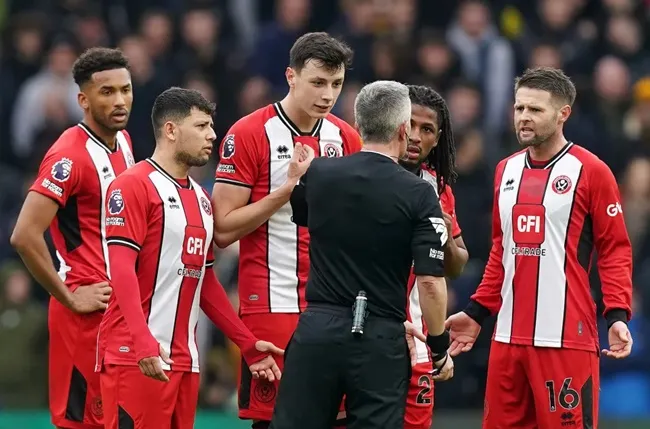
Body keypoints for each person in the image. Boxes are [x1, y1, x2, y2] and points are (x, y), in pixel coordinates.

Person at [445, 67, 634, 429]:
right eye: (519, 109)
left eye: (535, 110)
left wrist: (617, 314)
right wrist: (477, 311)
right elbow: (502, 252)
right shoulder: (505, 170)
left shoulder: (592, 171)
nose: (524, 118)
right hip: (506, 340)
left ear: (563, 114)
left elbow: (615, 249)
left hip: (566, 339)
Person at [270, 80, 454, 429]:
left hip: (317, 329)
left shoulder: (320, 173)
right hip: (379, 335)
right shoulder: (419, 192)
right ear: (402, 130)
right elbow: (430, 282)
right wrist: (439, 345)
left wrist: (298, 177)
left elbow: (302, 213)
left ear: (358, 126)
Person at [96, 87, 283, 429]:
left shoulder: (201, 197)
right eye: (201, 126)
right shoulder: (133, 186)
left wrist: (247, 345)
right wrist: (142, 341)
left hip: (185, 361)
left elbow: (204, 281)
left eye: (211, 126)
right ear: (170, 130)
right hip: (135, 357)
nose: (212, 134)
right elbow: (120, 270)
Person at [211, 32, 362, 428]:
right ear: (291, 76)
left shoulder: (346, 137)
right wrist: (287, 191)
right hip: (272, 299)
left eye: (336, 84)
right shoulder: (248, 134)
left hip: (335, 304)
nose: (327, 94)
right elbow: (222, 230)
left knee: (339, 418)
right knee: (277, 420)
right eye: (317, 82)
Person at [10, 47, 136, 429]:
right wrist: (67, 295)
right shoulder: (68, 156)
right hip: (84, 313)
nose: (120, 100)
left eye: (126, 90)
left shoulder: (124, 142)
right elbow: (24, 235)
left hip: (119, 310)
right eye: (107, 92)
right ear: (83, 99)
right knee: (82, 423)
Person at [399, 85, 469, 429]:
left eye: (426, 130)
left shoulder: (438, 187)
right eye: (409, 123)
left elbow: (456, 265)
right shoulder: (362, 169)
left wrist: (443, 231)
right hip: (364, 331)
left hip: (421, 337)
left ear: (437, 138)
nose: (415, 136)